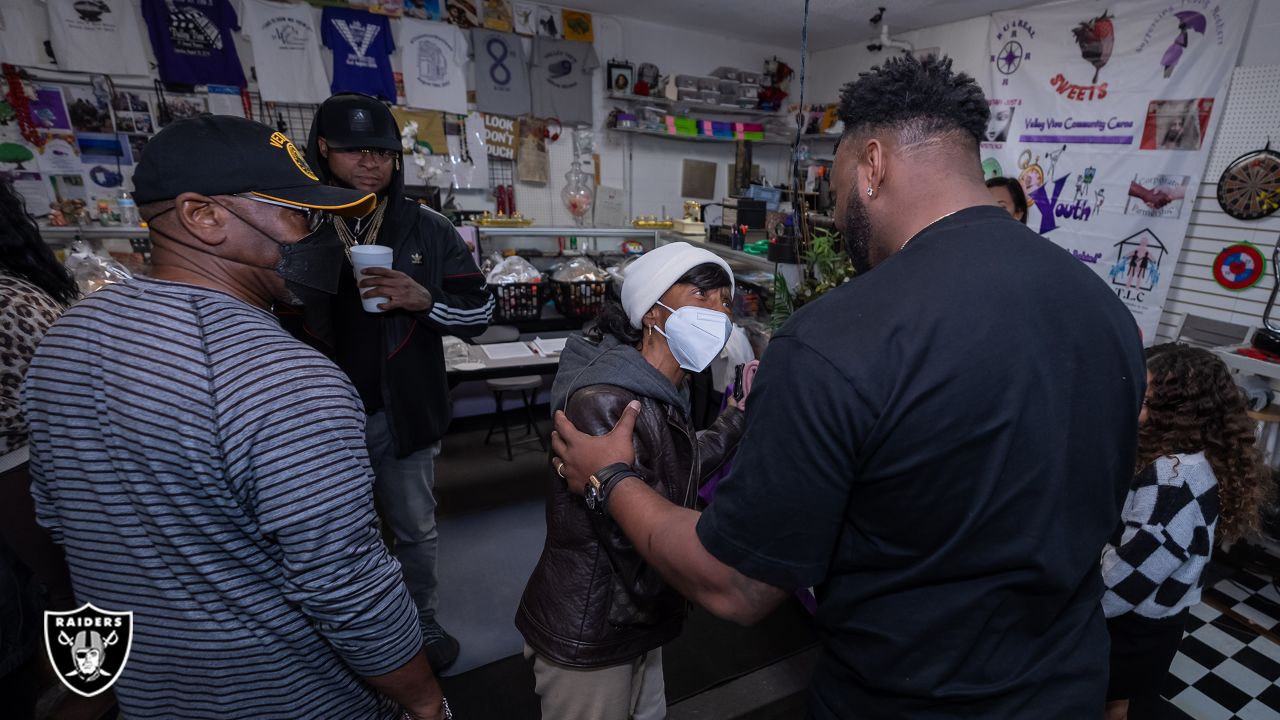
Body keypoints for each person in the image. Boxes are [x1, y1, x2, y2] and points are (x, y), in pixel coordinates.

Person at [549, 54, 1146, 719]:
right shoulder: (1105, 310)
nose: (835, 215)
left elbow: (737, 586)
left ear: (872, 165)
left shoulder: (837, 337)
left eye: (833, 191)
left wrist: (611, 479)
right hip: (1065, 688)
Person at [23, 115, 449, 720]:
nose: (321, 236)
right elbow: (346, 586)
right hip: (292, 695)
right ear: (203, 217)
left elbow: (60, 518)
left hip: (148, 688)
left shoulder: (68, 337)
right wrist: (427, 701)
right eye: (300, 214)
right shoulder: (285, 378)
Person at [301, 93, 493, 672]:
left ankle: (420, 622)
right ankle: (348, 639)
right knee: (330, 537)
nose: (370, 161)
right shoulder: (296, 221)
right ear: (324, 149)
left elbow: (479, 310)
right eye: (356, 149)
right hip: (316, 416)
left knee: (414, 529)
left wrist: (425, 300)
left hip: (402, 408)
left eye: (383, 151)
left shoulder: (426, 227)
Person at [517, 243, 745, 720]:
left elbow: (669, 470)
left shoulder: (661, 389)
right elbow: (635, 524)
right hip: (593, 625)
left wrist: (739, 418)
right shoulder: (607, 401)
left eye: (726, 302)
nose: (719, 314)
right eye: (703, 296)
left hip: (633, 616)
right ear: (652, 312)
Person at [1102, 344, 1272, 720]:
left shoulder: (1173, 483)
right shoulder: (1182, 462)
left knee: (1118, 705)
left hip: (1137, 626)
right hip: (1151, 617)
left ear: (1178, 415)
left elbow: (1127, 580)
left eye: (1145, 401)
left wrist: (1075, 612)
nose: (1134, 408)